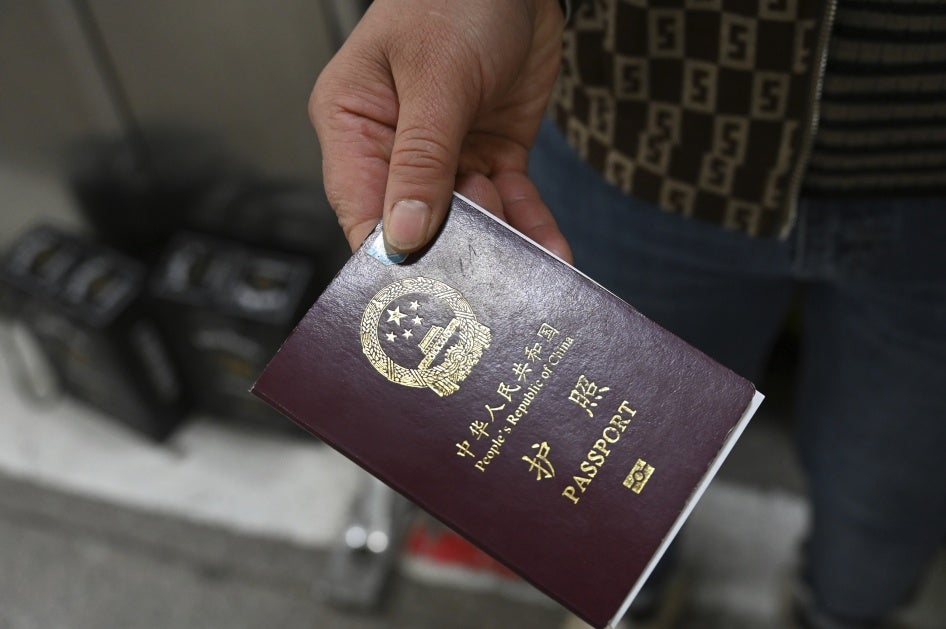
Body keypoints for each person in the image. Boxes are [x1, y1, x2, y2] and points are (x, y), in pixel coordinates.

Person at [310, 1, 946, 627]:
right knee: (594, 464)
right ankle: (635, 602)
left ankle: (842, 613)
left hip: (923, 170)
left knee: (892, 497)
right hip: (641, 135)